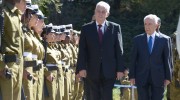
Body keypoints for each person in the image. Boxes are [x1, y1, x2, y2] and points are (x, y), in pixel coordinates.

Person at [76, 1, 125, 100]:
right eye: (98, 11)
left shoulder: (115, 28)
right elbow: (82, 50)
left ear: (107, 14)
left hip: (109, 70)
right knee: (94, 96)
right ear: (95, 12)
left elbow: (119, 50)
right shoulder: (86, 28)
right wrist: (81, 68)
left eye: (103, 12)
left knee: (107, 96)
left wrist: (120, 69)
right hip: (92, 70)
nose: (100, 14)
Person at [129, 14, 172, 100]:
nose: (147, 26)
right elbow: (133, 59)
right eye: (145, 24)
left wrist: (168, 77)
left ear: (156, 25)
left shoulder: (165, 40)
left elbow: (168, 59)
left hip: (159, 77)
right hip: (141, 76)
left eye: (150, 24)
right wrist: (132, 76)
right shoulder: (137, 40)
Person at [0, 0, 26, 100]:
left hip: (17, 69)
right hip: (6, 68)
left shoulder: (16, 15)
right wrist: (1, 66)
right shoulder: (3, 12)